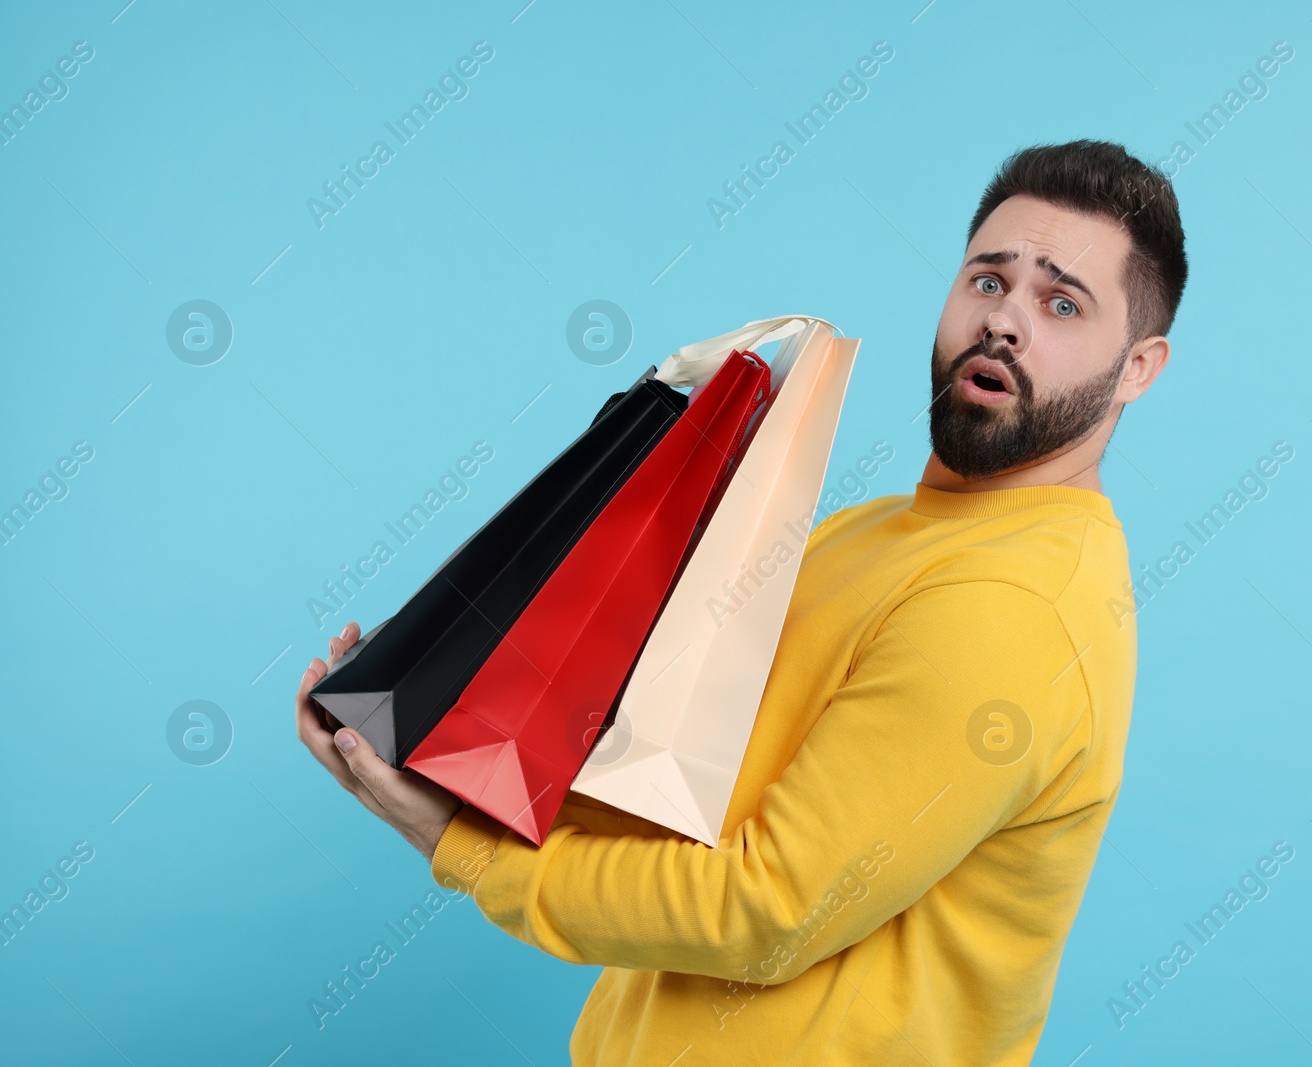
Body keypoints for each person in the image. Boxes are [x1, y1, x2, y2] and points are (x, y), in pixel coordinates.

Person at [296, 139, 1187, 1065]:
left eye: (1063, 303)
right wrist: (424, 721)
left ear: (1138, 366)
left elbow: (765, 909)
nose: (1006, 324)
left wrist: (461, 847)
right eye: (989, 281)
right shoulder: (877, 531)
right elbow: (670, 782)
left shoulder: (1014, 605)